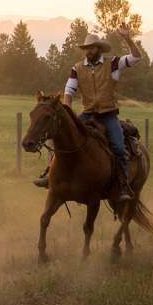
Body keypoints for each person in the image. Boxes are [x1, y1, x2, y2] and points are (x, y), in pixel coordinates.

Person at [33, 25, 141, 201]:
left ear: (98, 48)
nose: (88, 51)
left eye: (91, 48)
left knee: (118, 146)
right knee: (61, 138)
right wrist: (67, 110)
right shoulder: (77, 68)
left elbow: (136, 58)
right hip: (87, 114)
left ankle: (123, 185)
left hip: (108, 114)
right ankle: (50, 175)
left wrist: (127, 38)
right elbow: (69, 90)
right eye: (86, 48)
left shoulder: (112, 63)